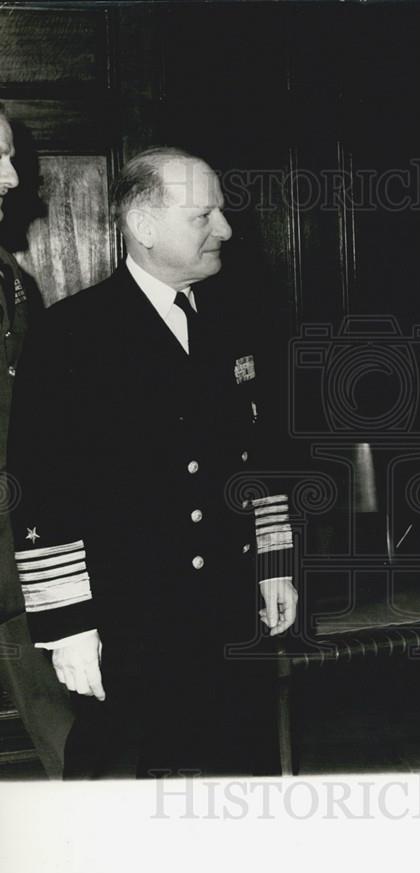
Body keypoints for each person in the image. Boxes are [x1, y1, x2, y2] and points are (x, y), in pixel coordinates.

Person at [8, 147, 297, 778]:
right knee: (133, 796)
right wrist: (70, 625)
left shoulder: (238, 315)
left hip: (228, 606)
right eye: (204, 216)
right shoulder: (72, 336)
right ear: (143, 227)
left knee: (239, 781)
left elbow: (261, 454)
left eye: (220, 211)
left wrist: (274, 563)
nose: (224, 228)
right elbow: (41, 489)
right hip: (132, 620)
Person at [0, 104, 73, 777]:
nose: (10, 175)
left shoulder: (15, 283)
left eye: (11, 156)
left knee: (58, 712)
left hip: (18, 536)